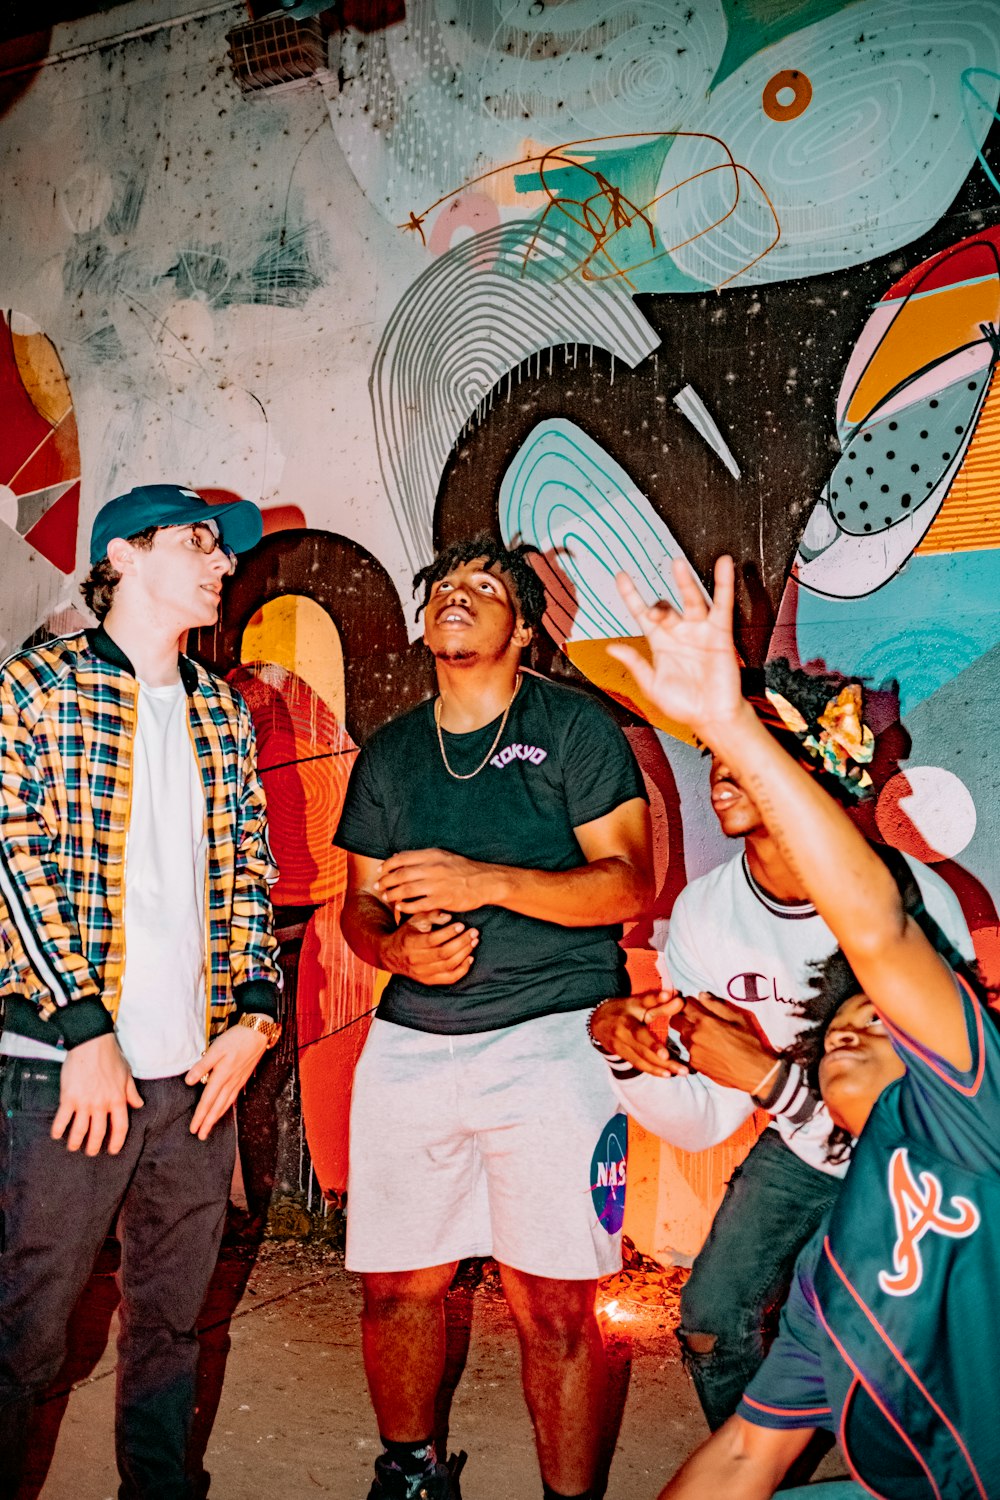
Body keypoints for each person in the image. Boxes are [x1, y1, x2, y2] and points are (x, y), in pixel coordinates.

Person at [610, 556, 998, 1498]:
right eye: (716, 756)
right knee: (710, 1317)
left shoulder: (905, 900)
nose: (718, 769)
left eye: (750, 755)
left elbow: (888, 956)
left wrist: (732, 720)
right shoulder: (703, 914)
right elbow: (706, 1117)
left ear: (814, 768)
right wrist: (636, 1055)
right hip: (807, 1144)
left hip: (929, 1142)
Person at [335, 534, 653, 1500]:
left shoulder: (574, 729)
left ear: (525, 629)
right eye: (445, 587)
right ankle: (411, 1472)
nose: (456, 598)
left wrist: (487, 883)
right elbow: (359, 905)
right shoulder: (391, 752)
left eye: (485, 588)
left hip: (553, 1039)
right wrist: (392, 949)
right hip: (411, 1045)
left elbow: (629, 884)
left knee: (554, 1306)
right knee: (397, 1285)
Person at [0, 484, 282, 1500]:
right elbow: (10, 861)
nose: (222, 563)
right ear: (122, 552)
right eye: (198, 541)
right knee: (27, 1329)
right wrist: (83, 1030)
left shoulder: (221, 711)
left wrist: (256, 1015)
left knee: (170, 1323)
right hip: (64, 1072)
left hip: (193, 1076)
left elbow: (250, 873)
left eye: (223, 549)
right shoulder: (38, 690)